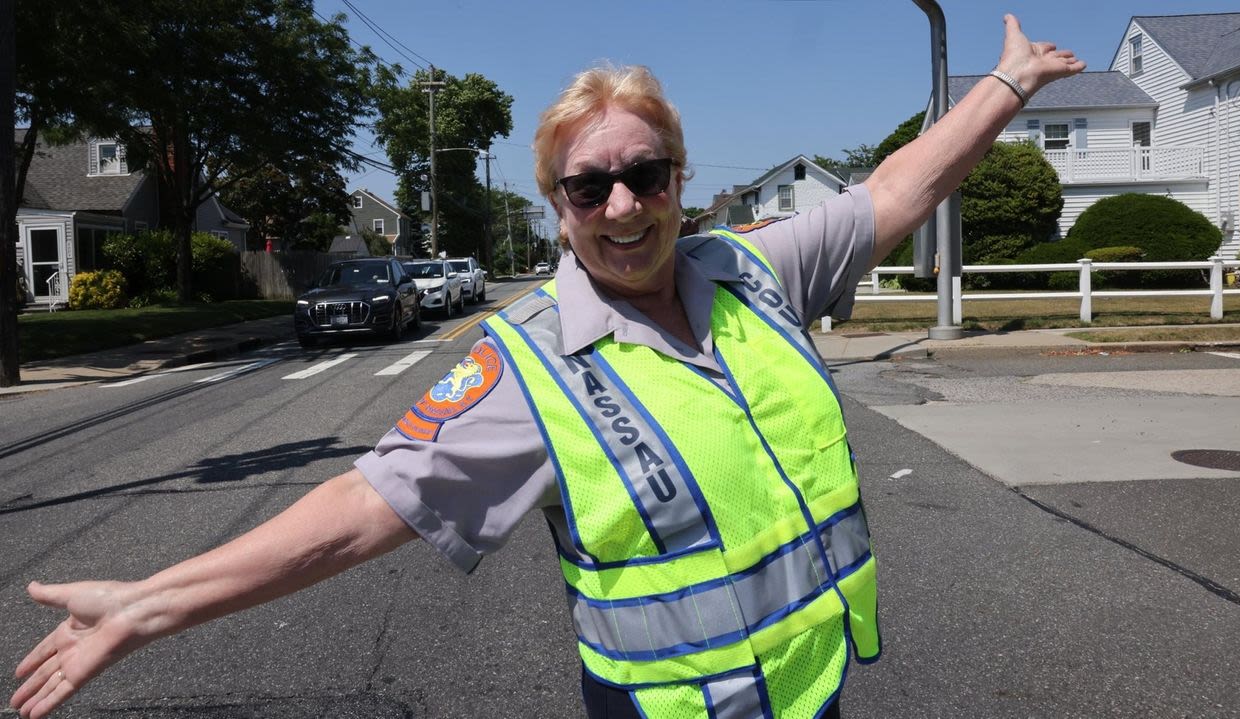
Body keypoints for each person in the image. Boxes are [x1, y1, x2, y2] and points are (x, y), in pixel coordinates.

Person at [9, 15, 1083, 719]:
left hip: (812, 689)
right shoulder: (528, 364)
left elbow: (895, 188)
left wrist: (1005, 83)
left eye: (643, 174)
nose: (620, 205)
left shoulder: (755, 268)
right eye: (587, 187)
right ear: (557, 209)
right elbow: (356, 506)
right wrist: (153, 603)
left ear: (677, 179)